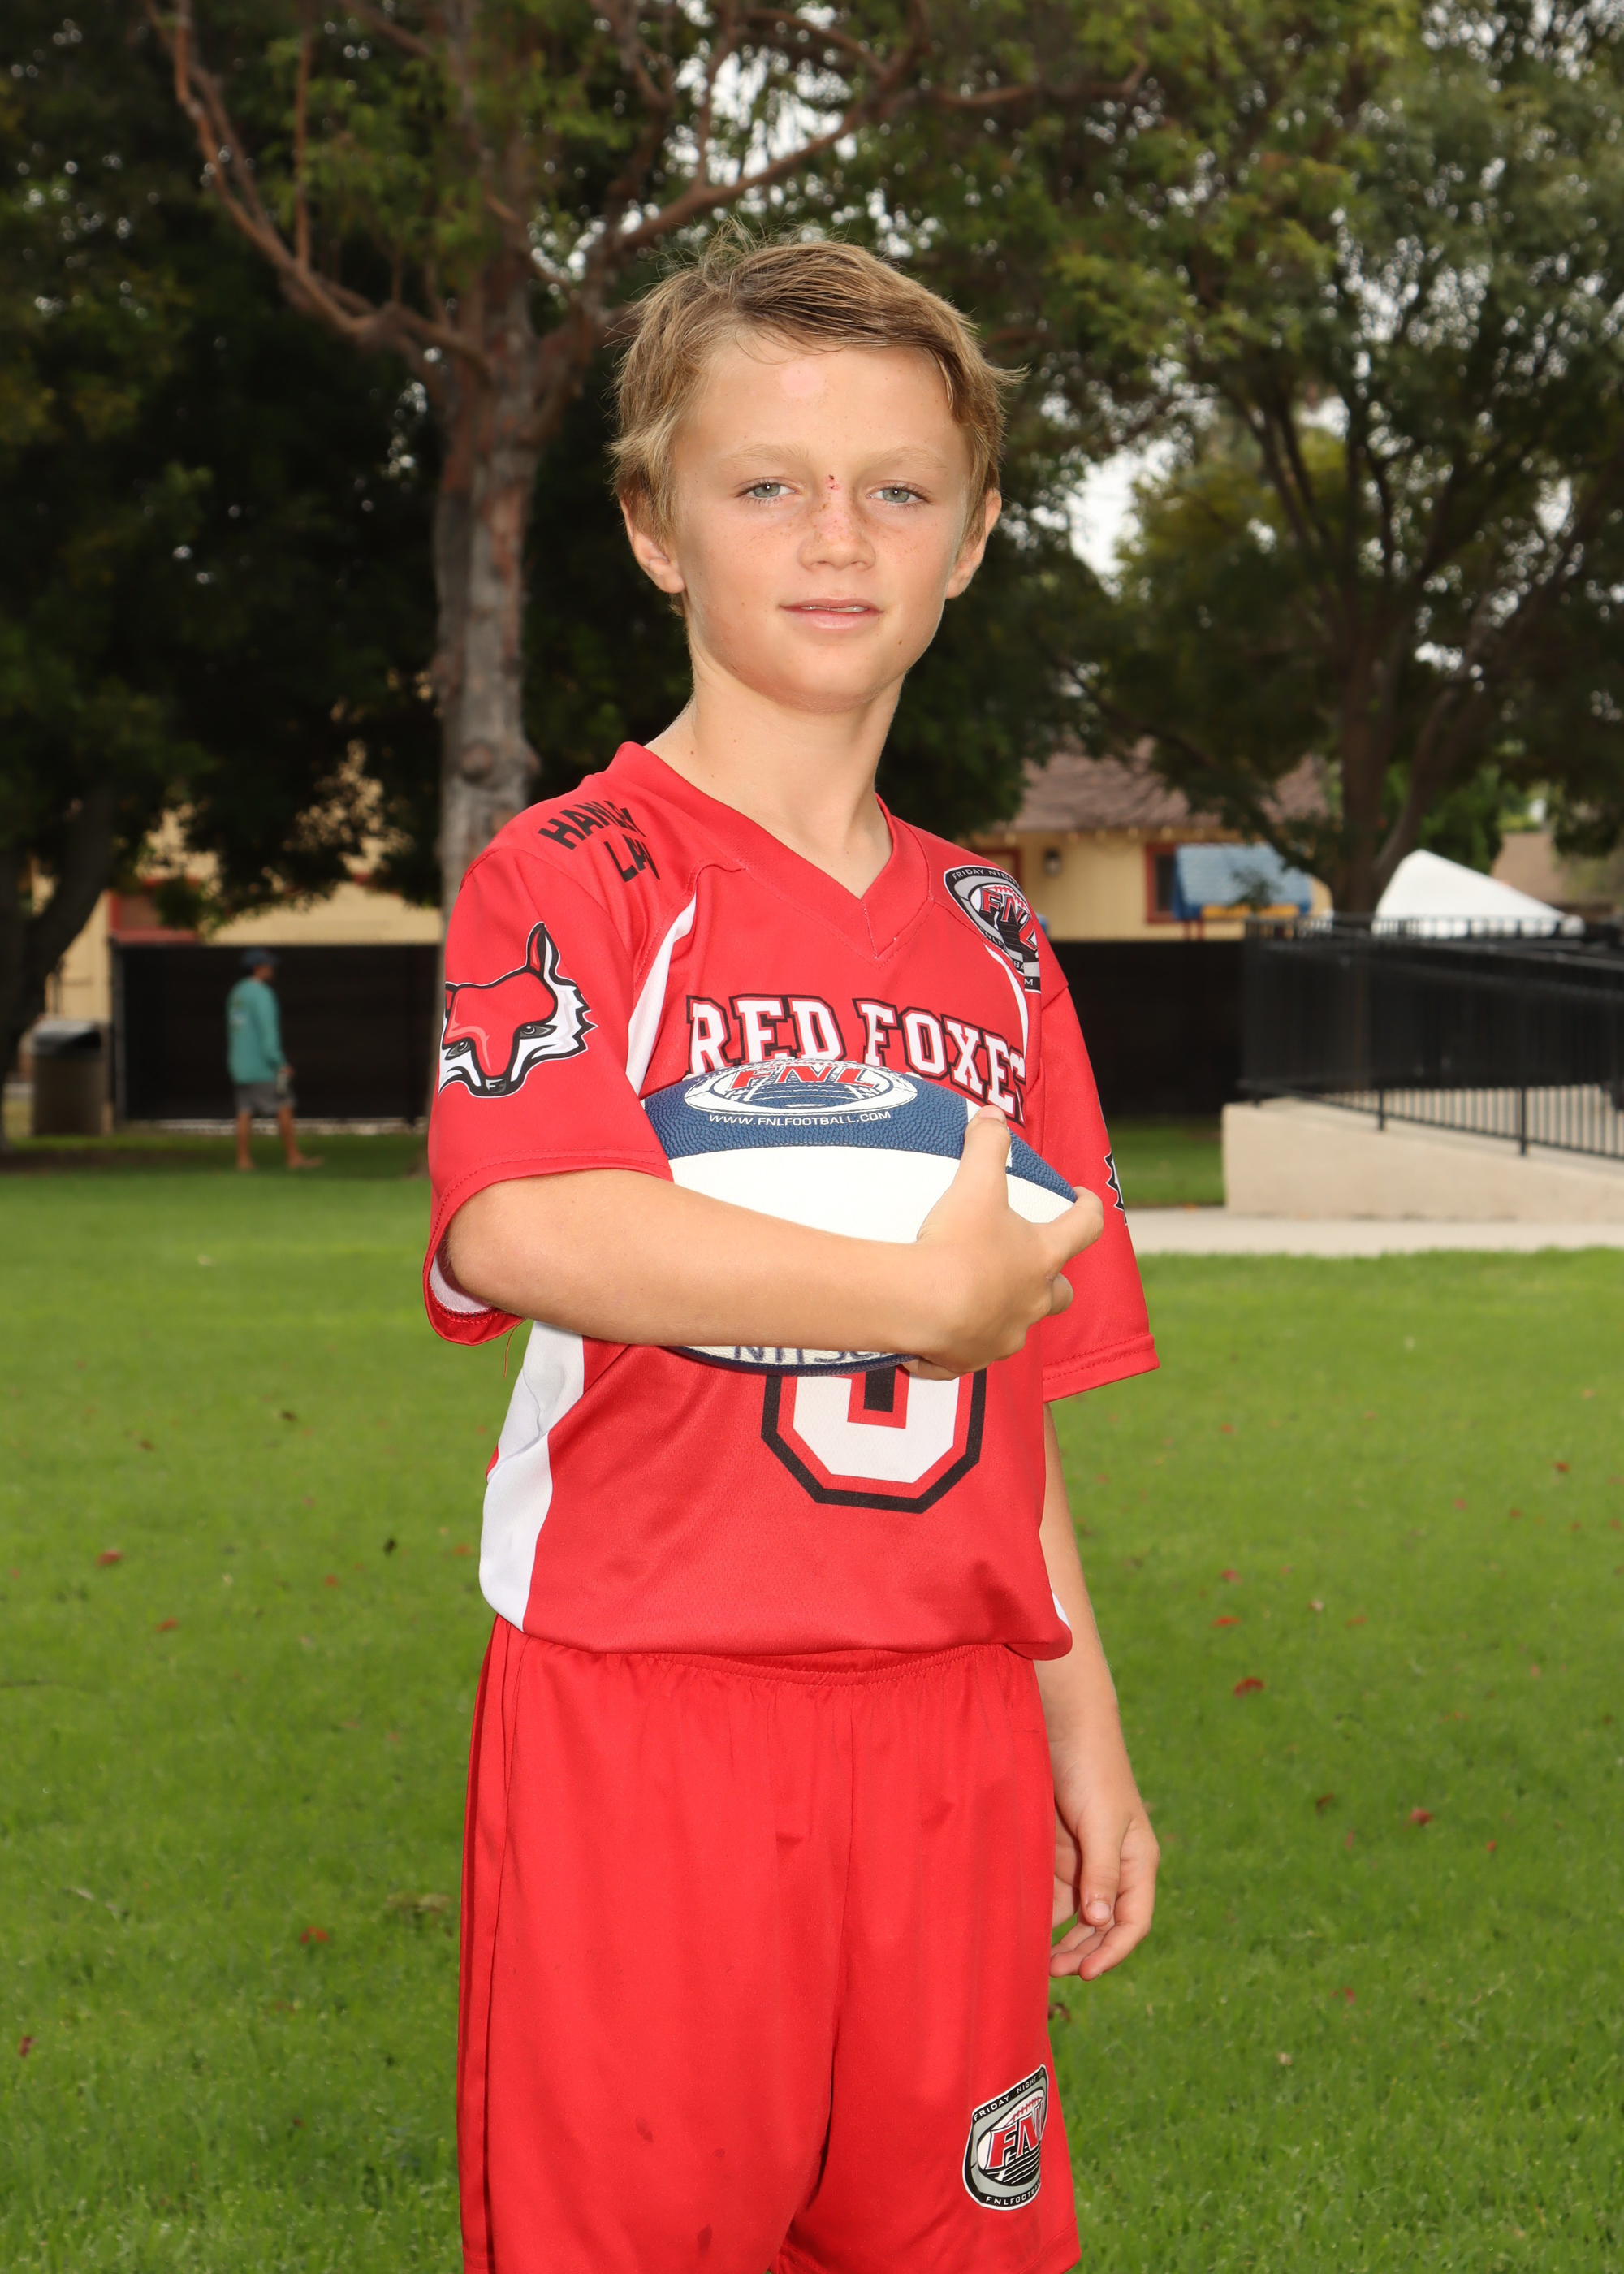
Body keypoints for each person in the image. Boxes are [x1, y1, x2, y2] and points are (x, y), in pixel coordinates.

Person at [425, 237, 1160, 2274]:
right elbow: (520, 1218)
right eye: (765, 484)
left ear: (972, 535)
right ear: (653, 527)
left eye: (897, 488)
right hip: (646, 1710)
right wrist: (905, 1297)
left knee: (949, 2240)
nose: (837, 535)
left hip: (948, 1725)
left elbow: (1012, 1389)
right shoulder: (575, 875)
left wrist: (1079, 1730)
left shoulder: (999, 939)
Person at [225, 951, 320, 1170]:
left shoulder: (237, 993)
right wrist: (279, 1062)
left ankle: (243, 1160)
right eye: (268, 966)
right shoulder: (262, 994)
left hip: (239, 1065)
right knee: (284, 1105)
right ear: (258, 968)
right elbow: (268, 1033)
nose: (272, 970)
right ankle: (293, 1157)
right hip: (262, 1066)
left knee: (244, 1111)